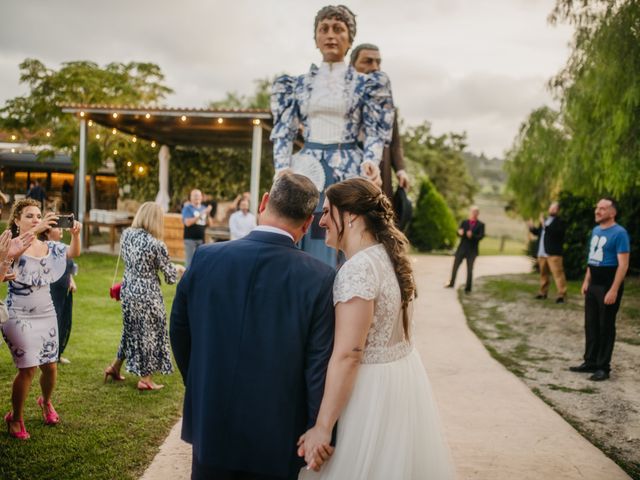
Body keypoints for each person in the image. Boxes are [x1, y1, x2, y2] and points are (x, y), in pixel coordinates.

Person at [170, 173, 336, 480]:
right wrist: (318, 427)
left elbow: (179, 332)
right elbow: (318, 364)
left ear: (263, 203)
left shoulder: (206, 258)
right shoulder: (320, 278)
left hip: (212, 421)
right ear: (306, 226)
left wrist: (202, 384)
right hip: (278, 434)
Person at [298, 178, 453, 479]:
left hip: (368, 393)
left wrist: (322, 427)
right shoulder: (388, 257)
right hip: (399, 382)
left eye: (329, 211)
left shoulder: (358, 269)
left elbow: (349, 355)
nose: (322, 220)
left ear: (351, 216)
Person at [271, 5, 394, 267]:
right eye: (323, 29)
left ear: (350, 39)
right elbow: (284, 131)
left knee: (345, 229)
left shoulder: (366, 84)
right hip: (307, 168)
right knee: (305, 229)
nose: (330, 35)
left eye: (338, 29)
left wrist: (372, 160)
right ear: (315, 37)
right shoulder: (296, 84)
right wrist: (281, 166)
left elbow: (375, 130)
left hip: (349, 167)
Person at [1, 199, 81, 440]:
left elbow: (72, 253)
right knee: (28, 368)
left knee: (50, 366)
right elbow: (5, 261)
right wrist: (37, 229)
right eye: (29, 216)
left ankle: (45, 402)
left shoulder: (50, 246)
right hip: (18, 313)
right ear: (17, 221)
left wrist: (75, 235)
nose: (36, 219)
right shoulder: (10, 243)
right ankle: (16, 418)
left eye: (38, 216)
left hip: (46, 313)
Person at [104, 202, 185, 391]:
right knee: (150, 333)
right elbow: (170, 277)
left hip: (129, 289)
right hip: (147, 294)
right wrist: (179, 268)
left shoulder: (127, 235)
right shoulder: (156, 244)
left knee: (131, 330)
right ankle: (146, 379)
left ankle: (114, 367)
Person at [570, 198, 630, 382]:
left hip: (607, 284)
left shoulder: (620, 233)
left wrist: (613, 290)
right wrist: (586, 280)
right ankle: (590, 362)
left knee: (606, 326)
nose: (597, 211)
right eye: (597, 207)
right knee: (591, 324)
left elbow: (623, 265)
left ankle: (603, 367)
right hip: (593, 284)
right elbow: (592, 258)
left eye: (602, 209)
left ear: (612, 213)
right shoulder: (596, 230)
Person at [350, 43, 410, 199]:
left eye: (378, 62)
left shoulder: (385, 101)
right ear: (352, 65)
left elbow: (395, 140)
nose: (375, 67)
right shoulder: (342, 97)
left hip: (380, 171)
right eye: (368, 61)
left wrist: (400, 170)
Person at [40, 227, 77, 364]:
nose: (61, 229)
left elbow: (70, 267)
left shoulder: (63, 248)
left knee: (61, 321)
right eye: (57, 226)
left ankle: (57, 354)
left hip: (63, 291)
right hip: (51, 291)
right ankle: (42, 355)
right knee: (49, 324)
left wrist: (71, 280)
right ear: (47, 232)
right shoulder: (43, 249)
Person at [528, 202, 567, 303]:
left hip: (553, 253)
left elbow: (557, 233)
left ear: (558, 210)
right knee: (543, 274)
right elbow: (539, 233)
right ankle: (543, 293)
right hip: (542, 253)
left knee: (558, 274)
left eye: (554, 208)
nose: (552, 210)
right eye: (551, 208)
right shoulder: (545, 221)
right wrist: (532, 228)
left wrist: (544, 225)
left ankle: (561, 295)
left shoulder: (560, 221)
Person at [445, 205, 485, 293]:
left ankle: (468, 288)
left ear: (478, 214)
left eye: (475, 212)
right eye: (472, 212)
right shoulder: (464, 222)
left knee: (470, 269)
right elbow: (459, 233)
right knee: (455, 267)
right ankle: (451, 283)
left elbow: (481, 236)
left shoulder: (481, 225)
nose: (474, 214)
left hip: (472, 250)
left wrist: (473, 236)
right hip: (462, 248)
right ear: (470, 212)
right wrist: (459, 233)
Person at [182, 189, 212, 268]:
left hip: (202, 239)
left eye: (198, 195)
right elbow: (187, 223)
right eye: (194, 195)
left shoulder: (204, 208)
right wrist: (202, 213)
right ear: (190, 197)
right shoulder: (187, 208)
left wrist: (208, 214)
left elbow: (210, 224)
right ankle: (188, 279)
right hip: (190, 239)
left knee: (201, 262)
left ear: (202, 197)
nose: (197, 197)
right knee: (190, 262)